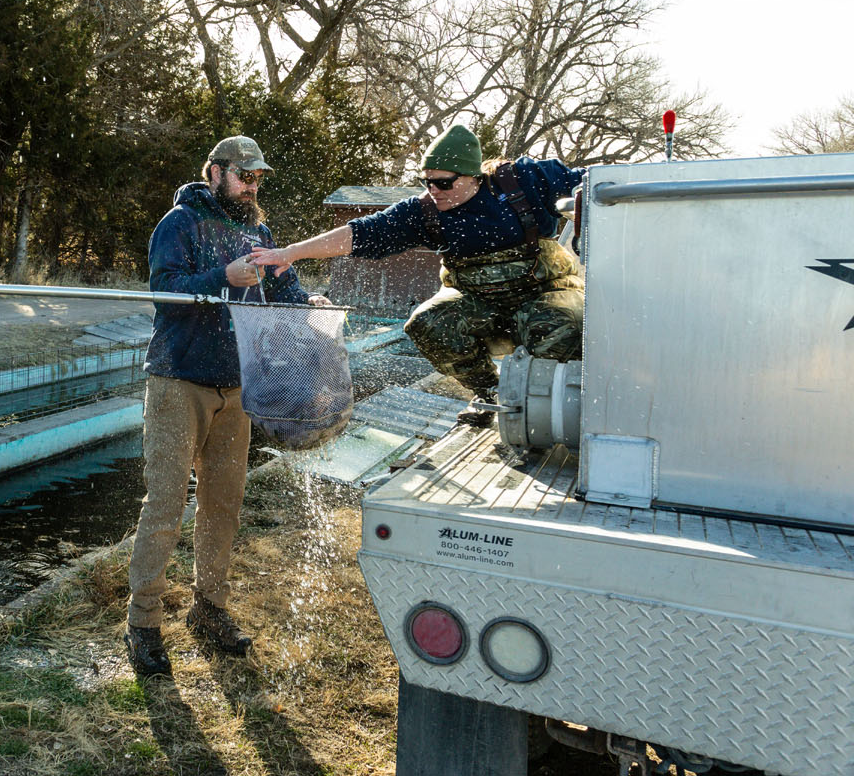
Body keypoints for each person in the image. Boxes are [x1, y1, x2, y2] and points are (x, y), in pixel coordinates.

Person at [125, 135, 331, 676]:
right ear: (214, 172)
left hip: (238, 386)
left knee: (224, 504)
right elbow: (165, 293)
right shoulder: (179, 223)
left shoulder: (259, 231)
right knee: (166, 506)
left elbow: (284, 291)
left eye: (258, 177)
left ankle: (209, 610)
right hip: (178, 382)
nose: (252, 184)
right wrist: (223, 277)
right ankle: (142, 624)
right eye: (244, 175)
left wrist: (309, 302)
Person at [248, 124, 585, 426]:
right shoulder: (424, 212)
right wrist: (291, 253)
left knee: (553, 325)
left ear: (473, 178)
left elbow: (597, 182)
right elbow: (361, 233)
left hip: (544, 292)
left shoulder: (522, 182)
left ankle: (558, 405)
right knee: (426, 323)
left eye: (443, 182)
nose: (434, 190)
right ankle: (492, 393)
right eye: (427, 181)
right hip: (479, 300)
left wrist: (587, 197)